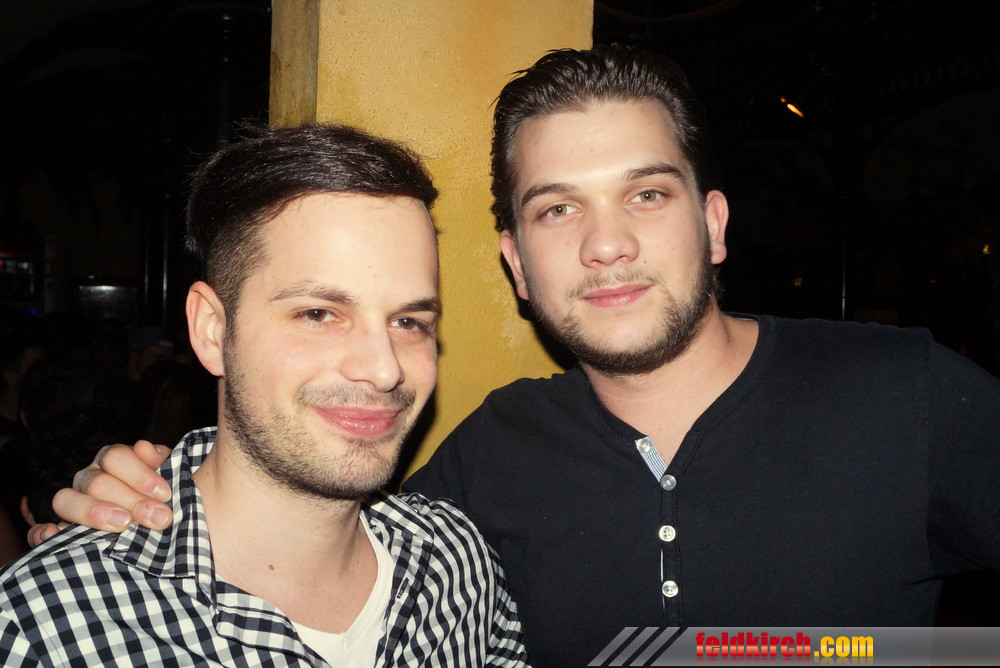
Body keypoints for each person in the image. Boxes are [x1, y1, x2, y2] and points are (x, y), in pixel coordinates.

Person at [33, 46, 1000, 666]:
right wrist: (133, 486)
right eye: (558, 208)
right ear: (516, 265)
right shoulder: (481, 470)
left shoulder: (911, 396)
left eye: (647, 195)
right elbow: (306, 495)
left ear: (713, 224)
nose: (606, 244)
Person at [1, 123, 527, 666]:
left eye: (409, 321)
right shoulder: (42, 630)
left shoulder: (457, 567)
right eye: (318, 314)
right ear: (211, 331)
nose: (384, 368)